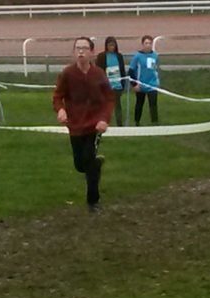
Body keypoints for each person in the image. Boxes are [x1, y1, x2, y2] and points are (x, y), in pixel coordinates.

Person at [53, 36, 114, 213]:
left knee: (88, 159)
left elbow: (109, 98)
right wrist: (60, 110)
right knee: (80, 165)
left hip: (94, 125)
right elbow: (58, 96)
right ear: (74, 52)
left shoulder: (99, 74)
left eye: (85, 48)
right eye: (78, 48)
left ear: (92, 52)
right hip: (75, 125)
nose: (81, 51)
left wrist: (104, 119)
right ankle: (97, 164)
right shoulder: (68, 73)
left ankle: (93, 201)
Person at [128, 35, 160, 126]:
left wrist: (157, 81)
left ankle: (155, 123)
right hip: (141, 85)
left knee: (153, 104)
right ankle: (137, 122)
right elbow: (131, 71)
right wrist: (134, 84)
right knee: (139, 104)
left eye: (150, 43)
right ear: (142, 44)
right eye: (146, 43)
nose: (148, 45)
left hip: (152, 85)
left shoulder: (155, 55)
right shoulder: (137, 56)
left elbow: (155, 69)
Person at [96, 36, 127, 126]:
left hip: (117, 86)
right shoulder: (101, 56)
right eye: (110, 45)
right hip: (106, 86)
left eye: (113, 45)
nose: (111, 47)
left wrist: (122, 85)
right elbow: (99, 71)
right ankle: (104, 123)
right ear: (106, 46)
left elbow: (122, 71)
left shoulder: (119, 56)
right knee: (105, 107)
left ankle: (119, 124)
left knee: (118, 106)